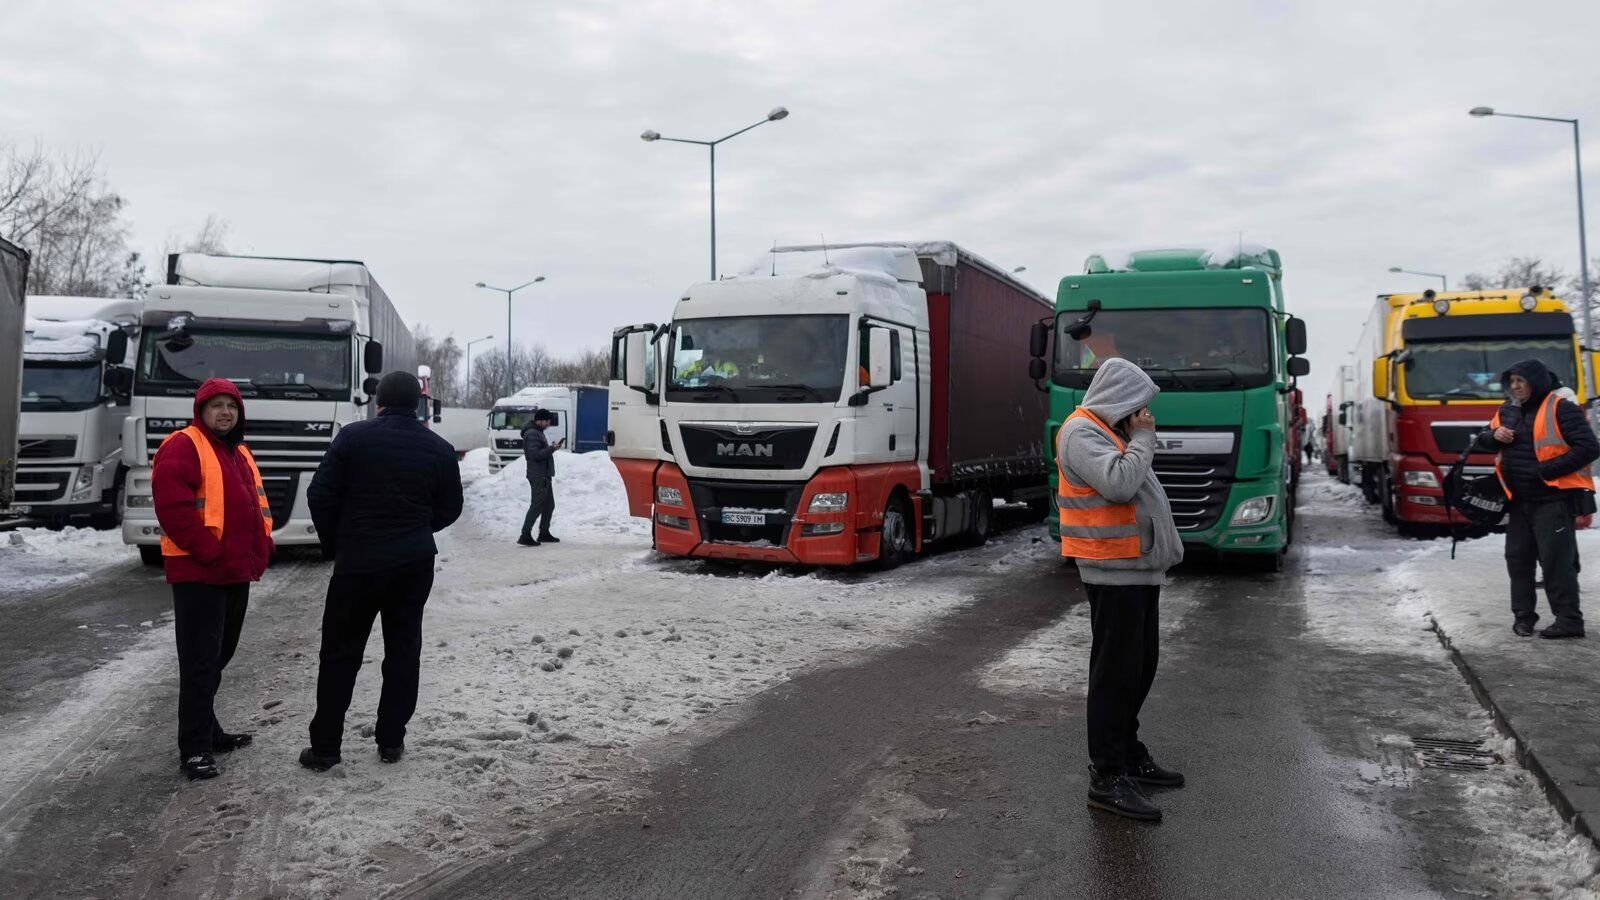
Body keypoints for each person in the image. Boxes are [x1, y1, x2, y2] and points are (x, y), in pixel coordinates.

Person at [299, 372, 463, 770]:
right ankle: (391, 741)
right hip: (413, 565)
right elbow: (451, 507)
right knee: (404, 652)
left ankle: (325, 748)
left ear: (379, 402)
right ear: (419, 406)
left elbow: (319, 494)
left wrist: (337, 542)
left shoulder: (353, 438)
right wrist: (419, 529)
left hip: (358, 563)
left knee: (340, 653)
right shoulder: (439, 448)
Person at [1056, 358, 1185, 822]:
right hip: (1113, 569)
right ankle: (1107, 776)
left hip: (1135, 567)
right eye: (1139, 405)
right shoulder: (1081, 432)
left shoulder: (1107, 432)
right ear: (1120, 398)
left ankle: (1128, 754)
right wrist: (1143, 439)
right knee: (1115, 674)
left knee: (1138, 667)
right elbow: (1119, 483)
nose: (1145, 414)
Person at [151, 378, 274, 780]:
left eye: (232, 406)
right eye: (217, 405)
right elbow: (173, 507)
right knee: (200, 661)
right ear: (201, 411)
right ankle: (194, 749)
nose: (225, 412)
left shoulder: (237, 451)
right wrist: (207, 550)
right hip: (200, 572)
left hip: (233, 571)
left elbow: (253, 505)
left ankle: (209, 729)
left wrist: (264, 544)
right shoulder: (183, 445)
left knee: (219, 655)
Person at [1479, 359, 1598, 639]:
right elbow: (1483, 439)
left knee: (1556, 562)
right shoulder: (1507, 410)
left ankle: (1569, 621)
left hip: (1553, 500)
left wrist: (1547, 471)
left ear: (1536, 382)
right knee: (1518, 560)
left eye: (1521, 381)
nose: (1515, 386)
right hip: (1519, 501)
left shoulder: (1561, 408)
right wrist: (1495, 436)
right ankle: (1523, 617)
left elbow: (1590, 447)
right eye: (1512, 381)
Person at [518, 408, 563, 546]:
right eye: (547, 421)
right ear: (540, 420)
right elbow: (535, 455)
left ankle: (544, 533)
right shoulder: (532, 434)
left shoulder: (538, 432)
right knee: (537, 505)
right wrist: (552, 449)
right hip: (538, 475)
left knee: (549, 505)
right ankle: (525, 534)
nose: (549, 424)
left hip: (544, 474)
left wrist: (551, 448)